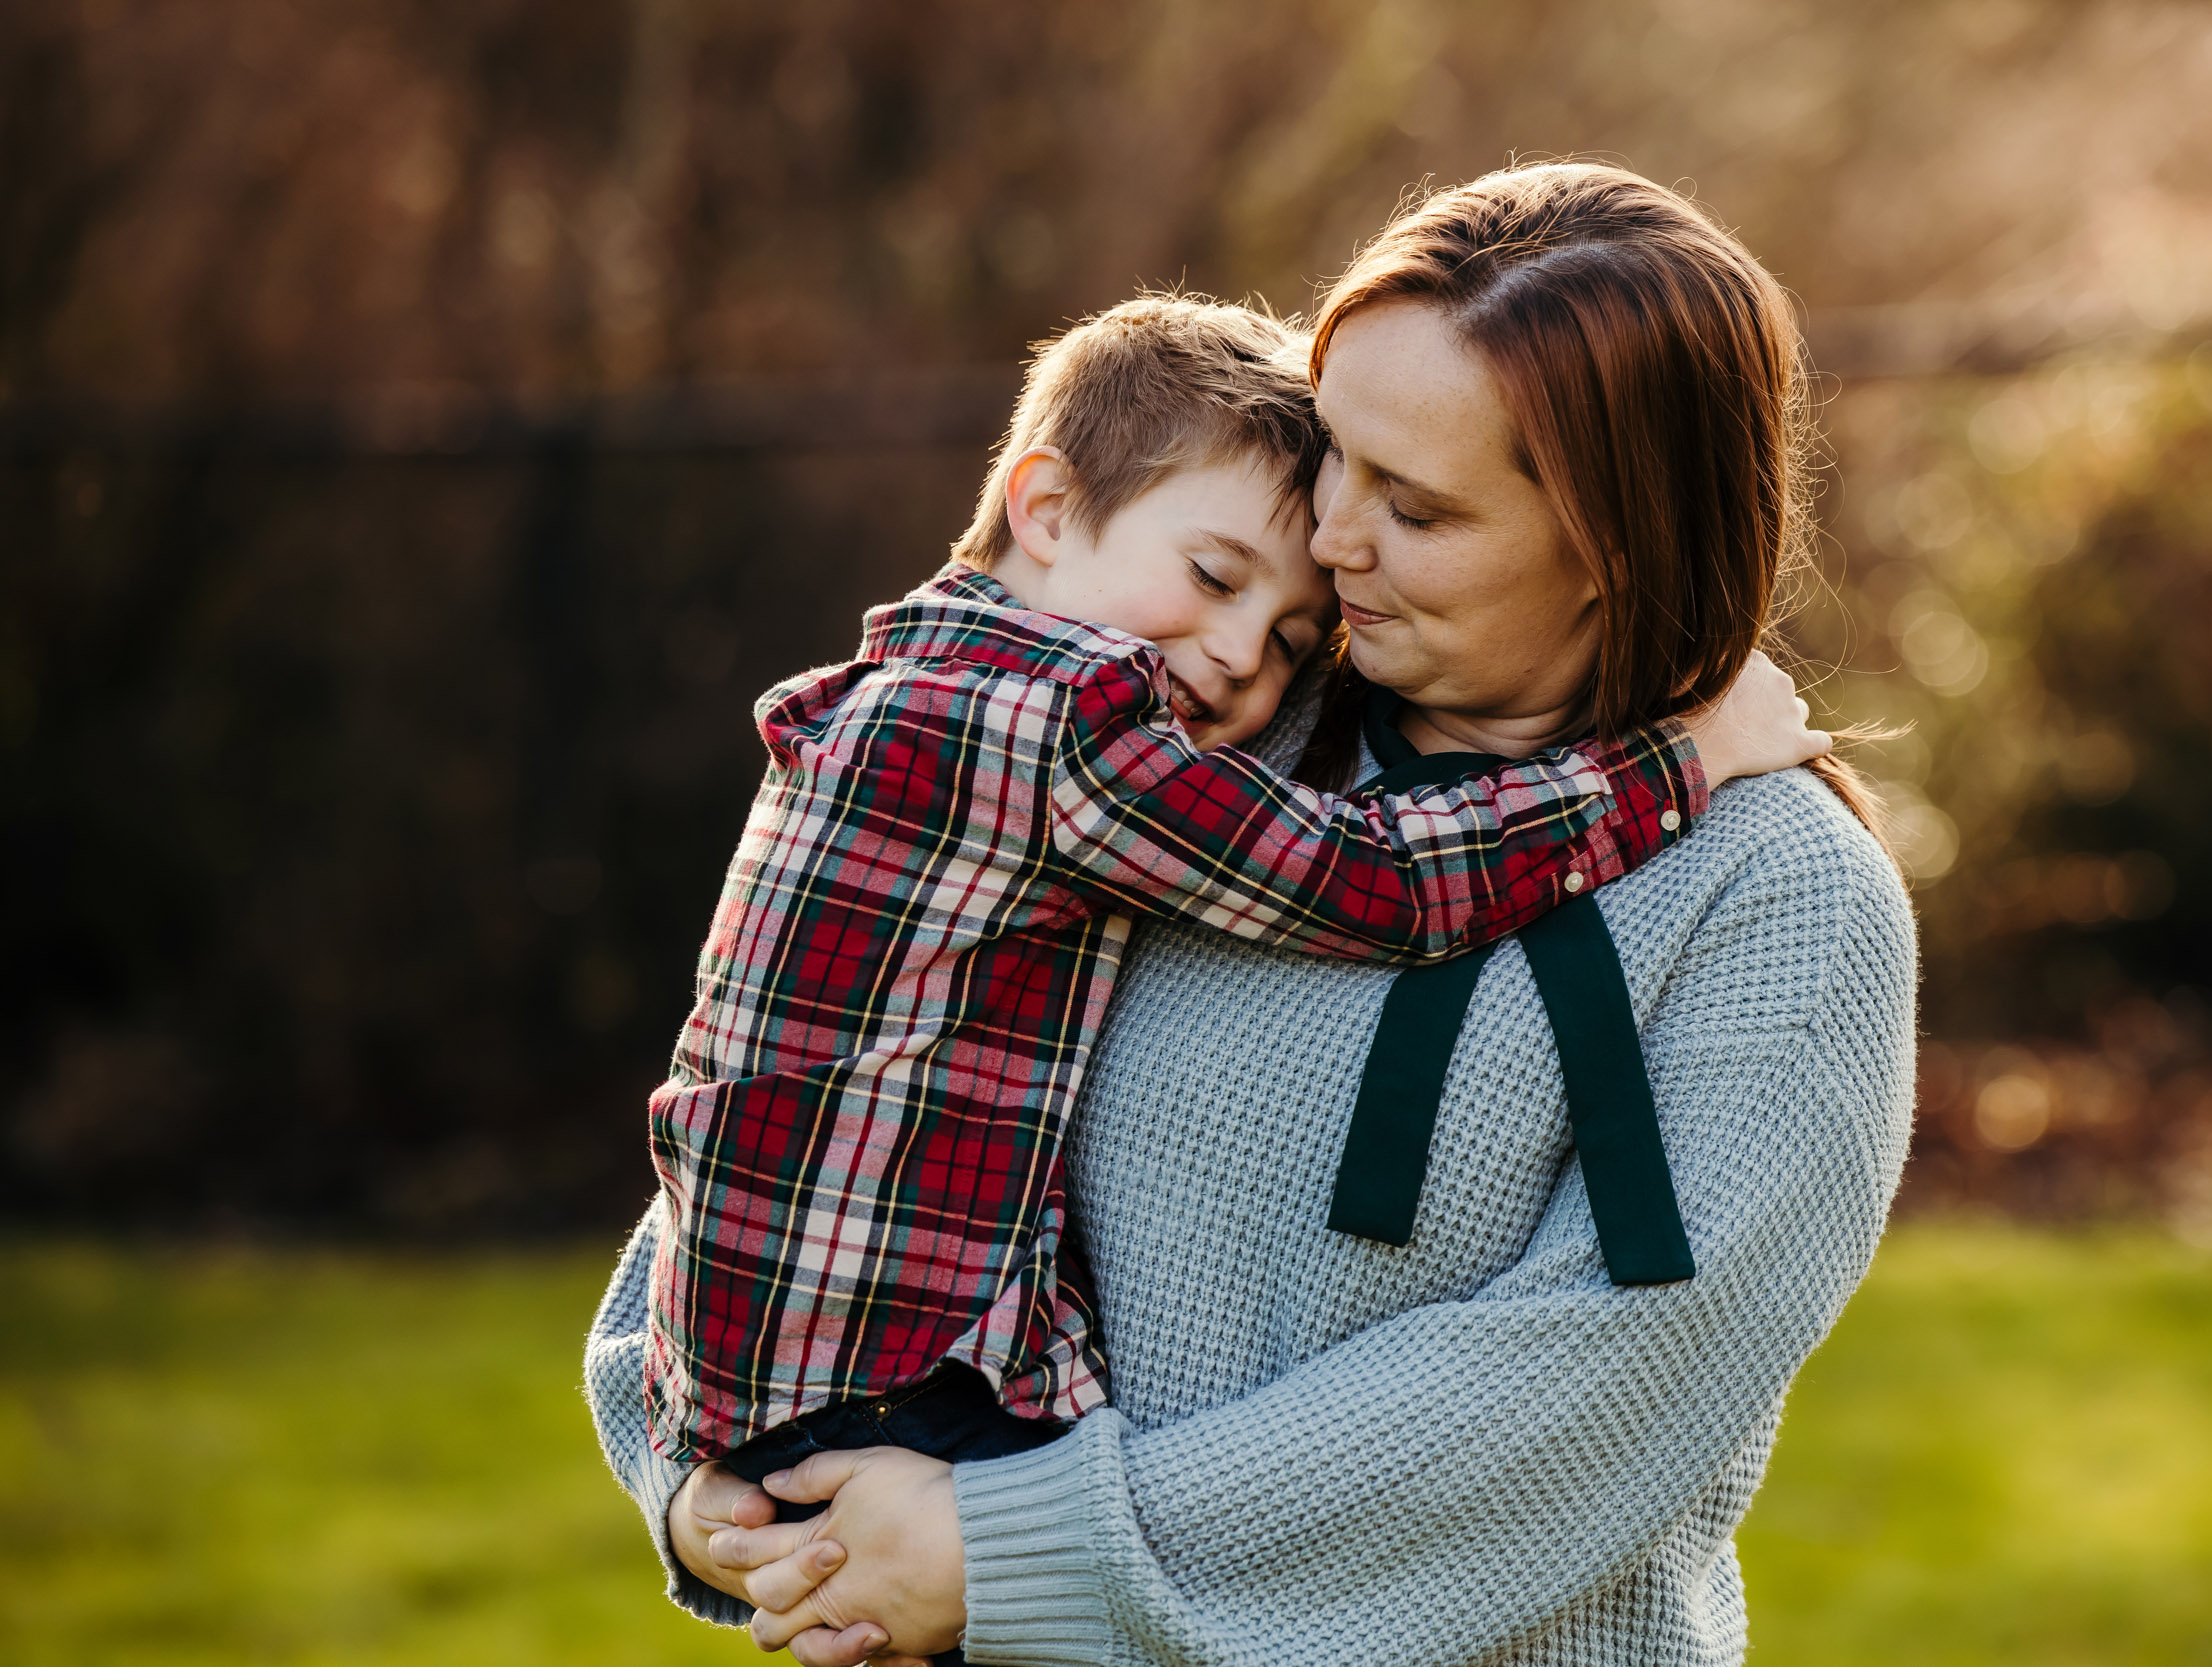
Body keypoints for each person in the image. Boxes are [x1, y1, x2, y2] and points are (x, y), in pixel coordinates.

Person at [586, 162, 1917, 1667]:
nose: (1334, 541)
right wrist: (706, 1461)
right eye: (1333, 457)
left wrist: (1008, 1548)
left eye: (1411, 505)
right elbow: (811, 1076)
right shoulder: (1194, 736)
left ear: (1616, 541)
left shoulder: (1777, 903)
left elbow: (1603, 1392)